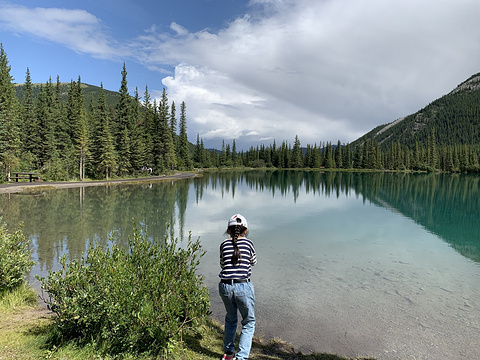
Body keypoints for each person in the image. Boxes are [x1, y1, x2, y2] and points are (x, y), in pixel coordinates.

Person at [219, 214, 257, 360]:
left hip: (225, 286)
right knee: (248, 322)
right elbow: (253, 261)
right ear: (245, 230)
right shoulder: (249, 244)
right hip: (243, 286)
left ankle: (229, 354)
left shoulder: (223, 245)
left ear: (228, 230)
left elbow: (223, 265)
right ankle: (241, 357)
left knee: (230, 319)